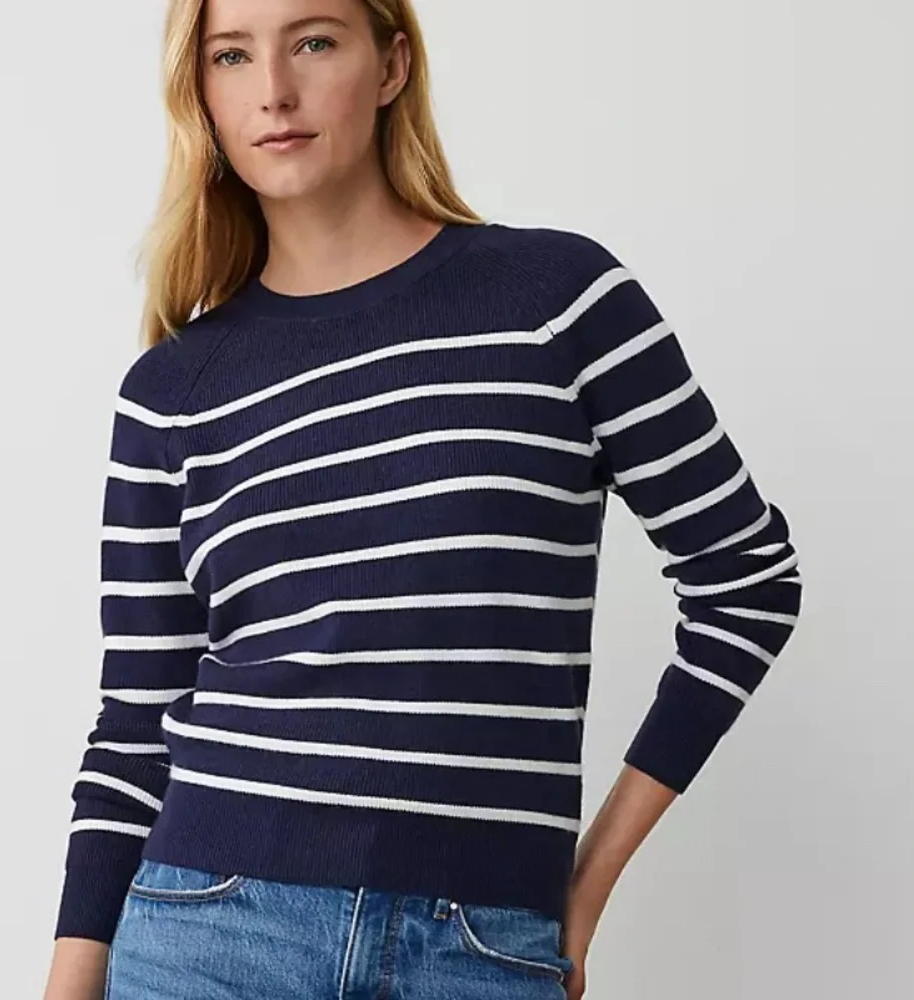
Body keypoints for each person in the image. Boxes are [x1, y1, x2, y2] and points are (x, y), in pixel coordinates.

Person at [42, 0, 803, 997]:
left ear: (392, 63)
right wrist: (70, 978)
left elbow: (748, 586)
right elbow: (137, 721)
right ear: (202, 97)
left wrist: (583, 890)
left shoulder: (557, 301)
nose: (274, 90)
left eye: (314, 41)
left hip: (481, 947)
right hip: (204, 933)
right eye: (231, 56)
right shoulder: (173, 389)